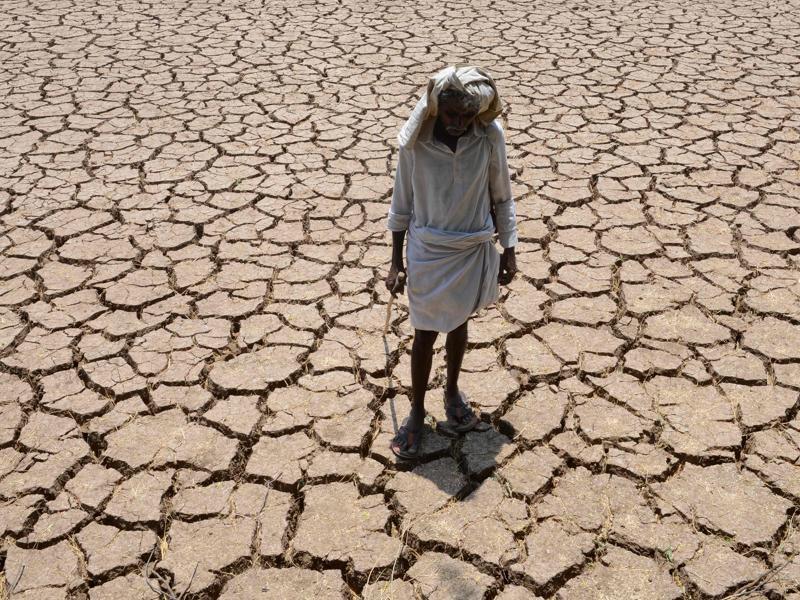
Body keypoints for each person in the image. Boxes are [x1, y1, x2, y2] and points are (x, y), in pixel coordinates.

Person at [385, 65, 518, 460]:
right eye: (451, 115)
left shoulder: (489, 136)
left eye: (466, 115)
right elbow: (401, 204)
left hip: (471, 245)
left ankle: (452, 391)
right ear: (435, 110)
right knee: (424, 332)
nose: (459, 123)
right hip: (428, 248)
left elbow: (502, 196)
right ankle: (416, 411)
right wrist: (396, 262)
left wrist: (509, 250)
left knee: (460, 321)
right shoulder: (416, 142)